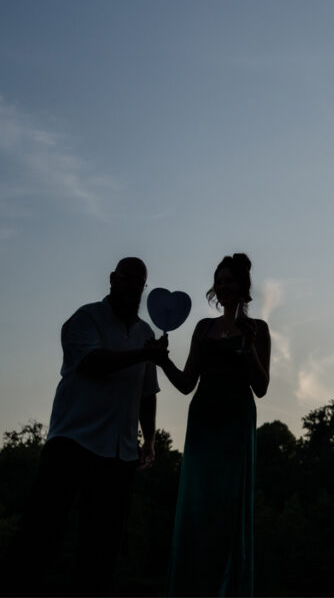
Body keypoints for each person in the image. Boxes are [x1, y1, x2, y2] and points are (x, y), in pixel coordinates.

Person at [2, 257, 163, 596]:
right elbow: (92, 363)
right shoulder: (86, 318)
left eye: (139, 282)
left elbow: (147, 393)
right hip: (72, 442)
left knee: (101, 552)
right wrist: (143, 354)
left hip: (119, 453)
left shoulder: (146, 334)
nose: (133, 287)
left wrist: (148, 440)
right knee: (40, 536)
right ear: (112, 279)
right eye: (127, 279)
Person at [157, 253, 270, 596]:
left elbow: (262, 388)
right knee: (198, 506)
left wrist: (249, 347)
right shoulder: (203, 329)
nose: (223, 287)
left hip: (236, 424)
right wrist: (161, 360)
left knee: (228, 509)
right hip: (203, 421)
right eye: (219, 281)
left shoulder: (258, 329)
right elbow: (186, 382)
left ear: (243, 287)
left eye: (229, 281)